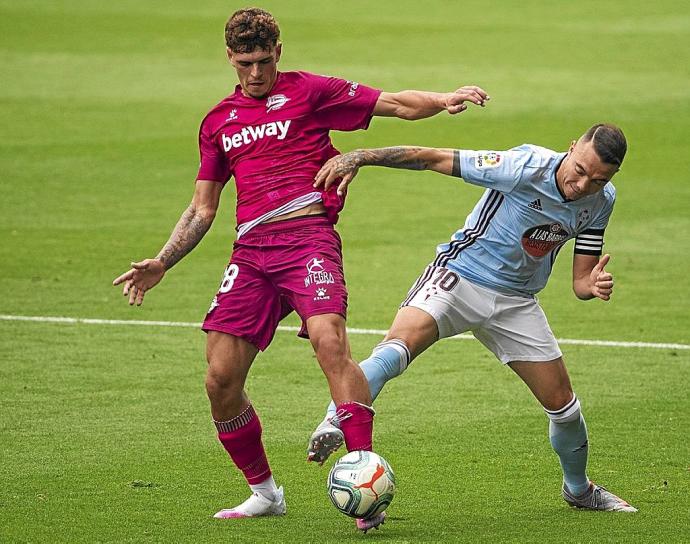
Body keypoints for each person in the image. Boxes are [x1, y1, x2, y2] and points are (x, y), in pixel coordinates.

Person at [112, 7, 489, 530]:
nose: (256, 73)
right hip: (251, 254)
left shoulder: (311, 92)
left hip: (308, 239)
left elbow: (396, 104)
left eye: (264, 61)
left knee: (329, 341)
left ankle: (366, 480)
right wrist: (162, 260)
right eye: (245, 63)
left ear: (279, 52)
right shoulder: (218, 121)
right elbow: (203, 208)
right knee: (220, 379)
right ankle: (265, 493)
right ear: (230, 58)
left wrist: (444, 99)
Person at [308, 123, 638, 512]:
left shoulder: (602, 200)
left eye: (597, 180)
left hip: (516, 302)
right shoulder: (522, 166)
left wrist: (593, 284)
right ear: (571, 148)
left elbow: (580, 281)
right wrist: (360, 156)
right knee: (396, 350)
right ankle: (334, 419)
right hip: (460, 278)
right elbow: (432, 157)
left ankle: (579, 490)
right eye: (579, 170)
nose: (583, 185)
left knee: (565, 409)